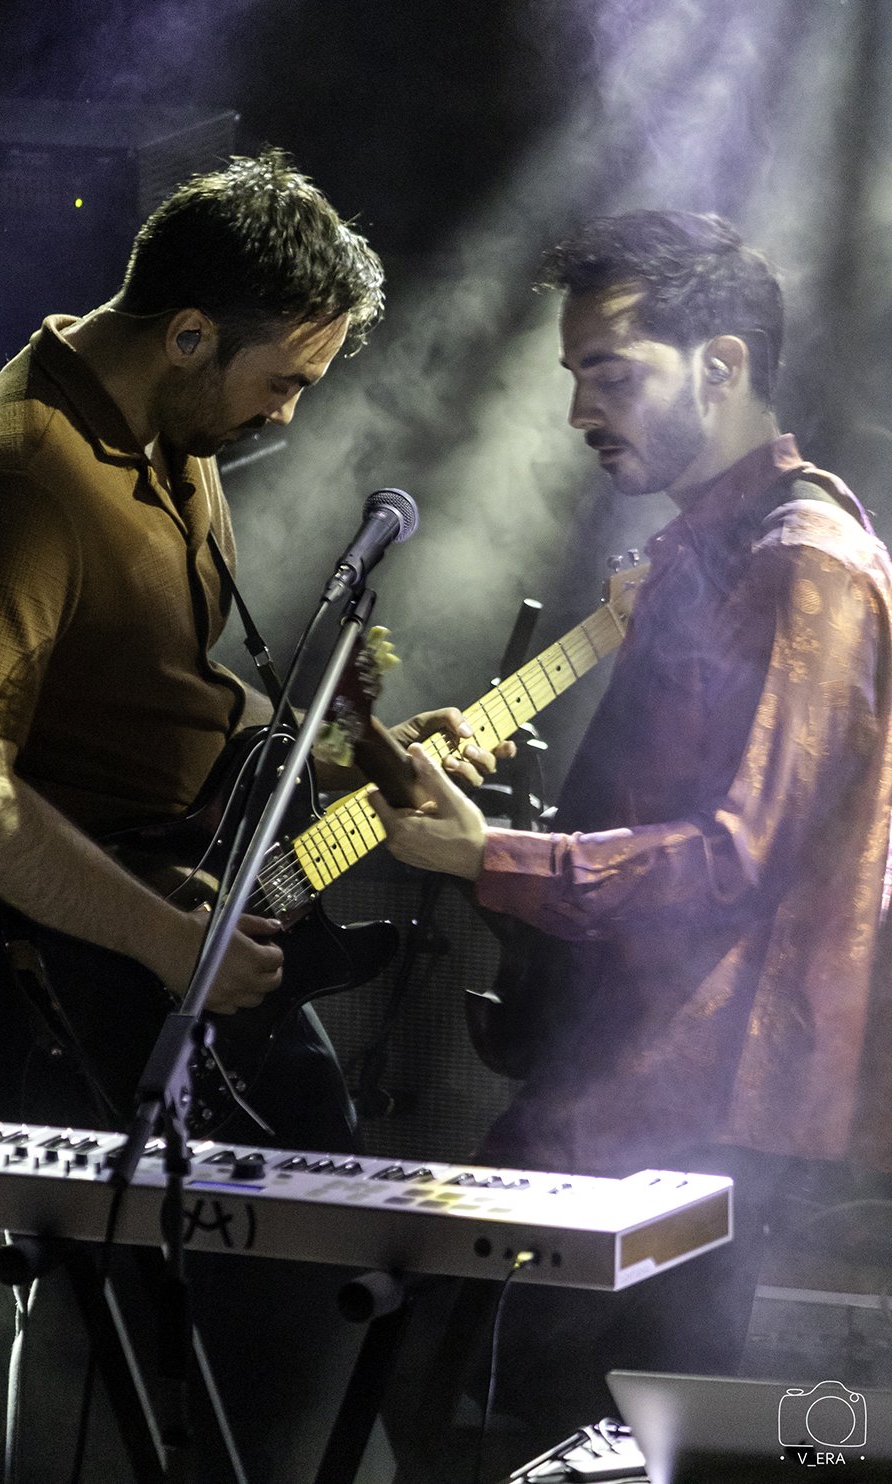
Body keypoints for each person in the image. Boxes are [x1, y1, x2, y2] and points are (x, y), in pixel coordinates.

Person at [372, 210, 892, 1454]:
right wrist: (511, 820)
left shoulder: (803, 563)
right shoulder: (695, 559)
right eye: (572, 376)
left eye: (609, 372)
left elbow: (733, 856)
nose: (578, 411)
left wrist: (487, 856)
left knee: (507, 1421)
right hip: (618, 1098)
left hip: (690, 1125)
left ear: (720, 365)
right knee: (446, 1398)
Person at [0, 146, 500, 1155]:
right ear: (188, 335)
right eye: (282, 381)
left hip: (191, 934)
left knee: (316, 1208)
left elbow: (175, 692)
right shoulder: (19, 481)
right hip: (74, 985)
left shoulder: (172, 434)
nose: (287, 413)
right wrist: (175, 945)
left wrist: (360, 753)